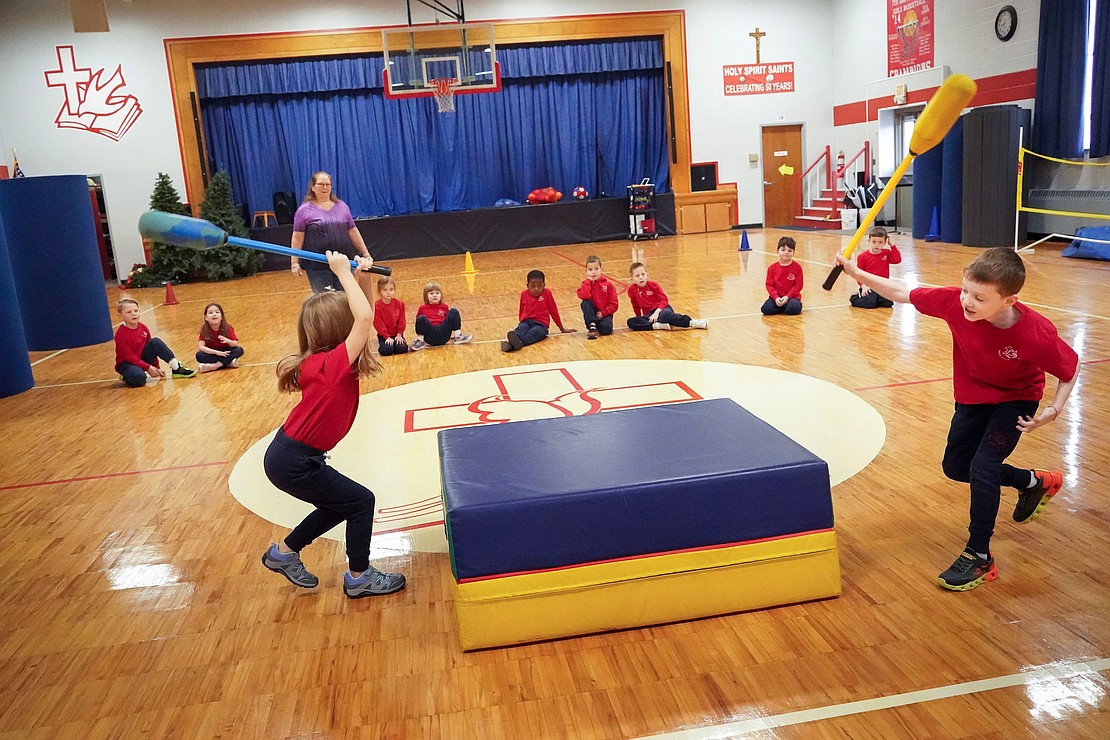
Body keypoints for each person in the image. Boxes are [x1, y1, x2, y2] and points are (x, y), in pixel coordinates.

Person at [835, 247, 1080, 592]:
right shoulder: (953, 303)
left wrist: (1053, 411)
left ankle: (980, 555)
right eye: (966, 290)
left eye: (979, 297)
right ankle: (1032, 482)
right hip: (973, 395)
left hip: (1016, 398)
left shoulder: (1034, 333)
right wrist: (855, 273)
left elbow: (1069, 370)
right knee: (956, 466)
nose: (967, 301)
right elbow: (902, 292)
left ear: (1009, 301)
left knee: (983, 466)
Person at [261, 250, 407, 598]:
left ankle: (284, 553)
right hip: (294, 461)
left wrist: (364, 277)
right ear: (340, 327)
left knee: (338, 504)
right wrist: (342, 271)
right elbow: (365, 319)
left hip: (292, 457)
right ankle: (359, 576)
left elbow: (362, 314)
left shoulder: (328, 360)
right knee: (360, 502)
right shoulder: (331, 365)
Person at [289, 171, 372, 293]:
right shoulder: (303, 211)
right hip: (318, 266)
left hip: (344, 263)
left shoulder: (342, 206)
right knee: (327, 304)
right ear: (312, 187)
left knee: (346, 300)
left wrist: (366, 254)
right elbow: (297, 238)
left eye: (328, 184)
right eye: (321, 184)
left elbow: (353, 231)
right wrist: (294, 262)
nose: (325, 187)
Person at [113, 297, 196, 387]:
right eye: (129, 312)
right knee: (139, 379)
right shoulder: (120, 335)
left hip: (141, 359)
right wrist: (148, 368)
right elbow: (129, 357)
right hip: (127, 363)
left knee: (155, 342)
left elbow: (152, 348)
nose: (134, 314)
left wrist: (156, 367)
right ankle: (127, 375)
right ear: (120, 315)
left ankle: (176, 368)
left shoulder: (143, 327)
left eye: (136, 311)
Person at [502, 269, 576, 351]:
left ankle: (511, 345)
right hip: (526, 321)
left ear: (544, 285)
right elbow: (521, 310)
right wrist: (521, 322)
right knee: (520, 330)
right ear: (527, 285)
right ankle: (516, 341)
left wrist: (562, 328)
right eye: (533, 286)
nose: (536, 289)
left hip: (541, 325)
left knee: (534, 333)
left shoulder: (547, 293)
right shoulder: (524, 294)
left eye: (539, 286)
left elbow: (553, 310)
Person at [626, 262, 708, 331]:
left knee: (665, 316)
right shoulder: (631, 290)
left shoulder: (654, 285)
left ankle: (692, 322)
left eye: (643, 274)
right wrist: (640, 318)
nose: (641, 277)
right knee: (631, 322)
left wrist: (657, 312)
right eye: (637, 276)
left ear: (647, 275)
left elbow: (664, 300)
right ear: (631, 279)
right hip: (650, 315)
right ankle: (658, 326)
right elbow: (635, 305)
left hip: (662, 309)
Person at [850, 227, 903, 309]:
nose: (877, 245)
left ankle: (876, 298)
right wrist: (863, 285)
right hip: (869, 285)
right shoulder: (863, 256)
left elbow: (897, 260)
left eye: (880, 242)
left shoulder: (886, 253)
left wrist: (892, 245)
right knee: (869, 303)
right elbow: (858, 273)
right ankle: (855, 298)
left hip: (882, 285)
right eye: (874, 242)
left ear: (885, 242)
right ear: (869, 241)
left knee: (887, 303)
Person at [412, 281, 471, 350]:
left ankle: (458, 336)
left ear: (441, 295)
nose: (435, 295)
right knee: (421, 318)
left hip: (443, 334)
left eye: (437, 293)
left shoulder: (444, 307)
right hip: (430, 335)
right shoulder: (422, 308)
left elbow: (449, 321)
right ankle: (420, 341)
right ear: (426, 296)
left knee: (453, 311)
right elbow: (419, 324)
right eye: (431, 293)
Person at [577, 255, 619, 338]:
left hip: (604, 313)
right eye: (590, 270)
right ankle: (592, 325)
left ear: (601, 269)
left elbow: (614, 304)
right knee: (585, 303)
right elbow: (583, 296)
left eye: (596, 269)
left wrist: (603, 313)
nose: (593, 272)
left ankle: (597, 326)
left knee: (606, 329)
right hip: (592, 312)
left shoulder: (608, 285)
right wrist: (588, 282)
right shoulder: (585, 284)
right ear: (586, 271)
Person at [195, 303, 244, 372]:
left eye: (217, 312)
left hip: (226, 351)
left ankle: (216, 365)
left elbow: (235, 344)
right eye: (210, 312)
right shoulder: (204, 329)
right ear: (206, 317)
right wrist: (216, 352)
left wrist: (228, 341)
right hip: (214, 352)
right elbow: (201, 347)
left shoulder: (227, 327)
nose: (214, 314)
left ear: (221, 316)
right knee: (199, 355)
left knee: (239, 350)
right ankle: (228, 363)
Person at [761, 236, 804, 315]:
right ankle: (781, 305)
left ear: (793, 253)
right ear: (777, 251)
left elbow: (798, 285)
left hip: (792, 297)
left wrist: (788, 297)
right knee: (766, 309)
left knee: (794, 308)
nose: (786, 252)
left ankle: (787, 305)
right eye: (783, 250)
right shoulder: (772, 268)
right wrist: (776, 297)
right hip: (776, 297)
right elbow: (769, 285)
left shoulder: (797, 267)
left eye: (789, 250)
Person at [373, 275, 408, 356]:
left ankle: (396, 343)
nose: (388, 292)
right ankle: (382, 345)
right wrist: (387, 337)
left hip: (397, 334)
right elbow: (378, 323)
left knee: (402, 349)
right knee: (387, 351)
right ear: (379, 291)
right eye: (385, 290)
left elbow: (402, 320)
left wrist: (399, 334)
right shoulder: (376, 306)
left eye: (391, 289)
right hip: (384, 336)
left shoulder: (399, 304)